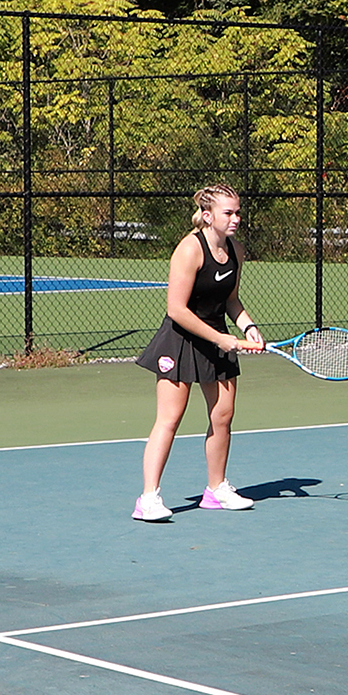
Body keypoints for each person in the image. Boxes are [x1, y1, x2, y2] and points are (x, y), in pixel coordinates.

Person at [130, 184, 266, 521]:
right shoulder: (189, 249)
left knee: (223, 416)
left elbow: (231, 300)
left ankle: (216, 489)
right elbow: (176, 309)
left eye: (237, 212)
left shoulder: (237, 249)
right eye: (228, 213)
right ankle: (148, 498)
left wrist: (248, 327)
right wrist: (221, 339)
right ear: (207, 216)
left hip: (217, 336)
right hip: (181, 339)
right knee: (170, 419)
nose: (236, 218)